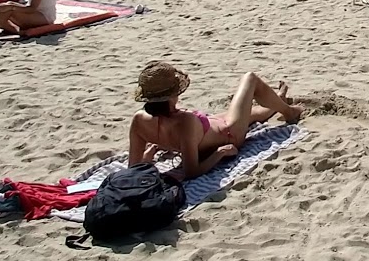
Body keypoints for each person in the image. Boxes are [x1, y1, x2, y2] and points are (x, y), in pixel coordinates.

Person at [127, 62, 302, 182]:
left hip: (208, 129)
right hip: (229, 134)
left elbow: (133, 167)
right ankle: (289, 112)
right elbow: (191, 172)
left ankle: (278, 100)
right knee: (250, 79)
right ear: (173, 93)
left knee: (252, 114)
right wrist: (219, 153)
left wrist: (146, 158)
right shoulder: (185, 121)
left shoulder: (139, 120)